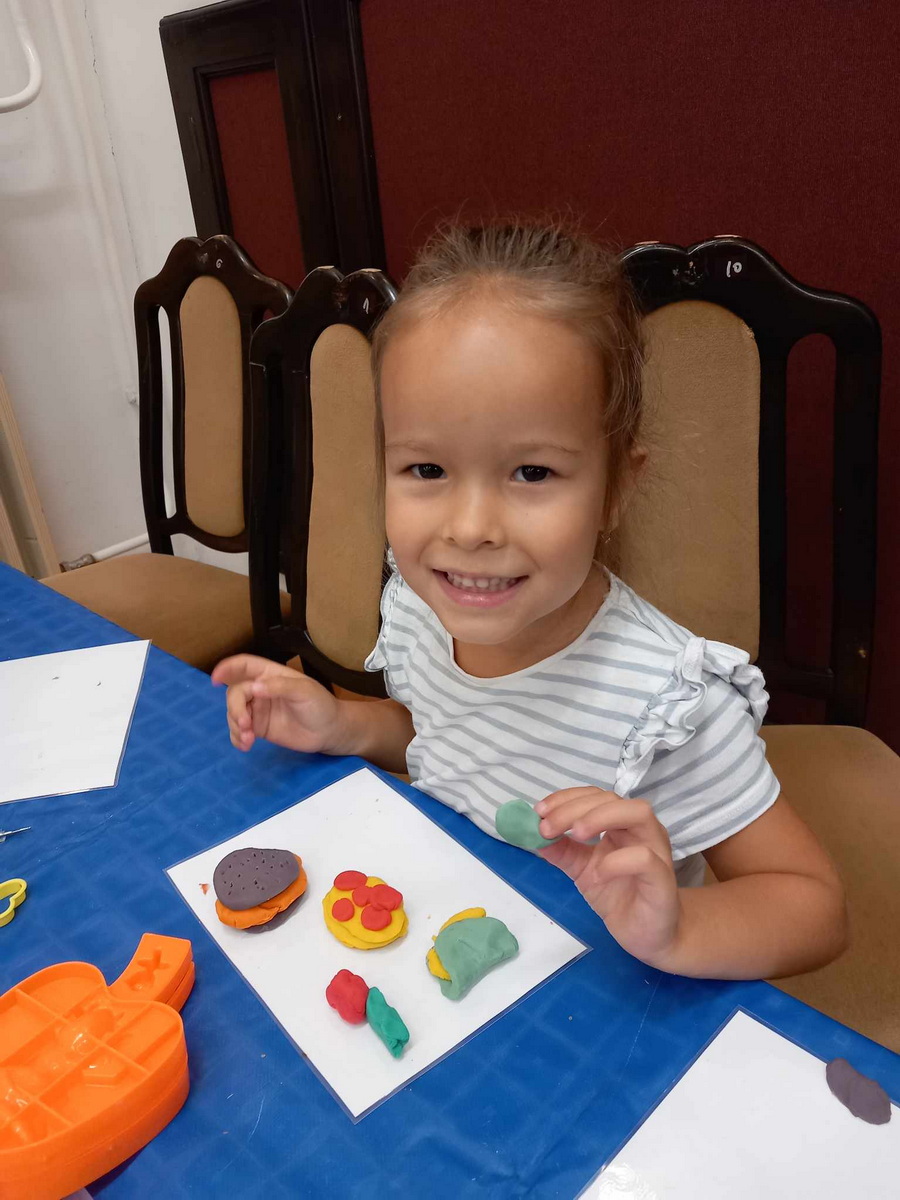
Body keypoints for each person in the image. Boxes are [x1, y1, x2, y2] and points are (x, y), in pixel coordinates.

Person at [213, 221, 846, 980]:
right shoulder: (421, 609)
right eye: (426, 470)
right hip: (454, 948)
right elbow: (445, 737)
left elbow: (814, 907)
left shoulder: (666, 704)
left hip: (605, 987)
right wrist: (344, 724)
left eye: (533, 473)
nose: (470, 528)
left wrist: (678, 929)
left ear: (616, 489)